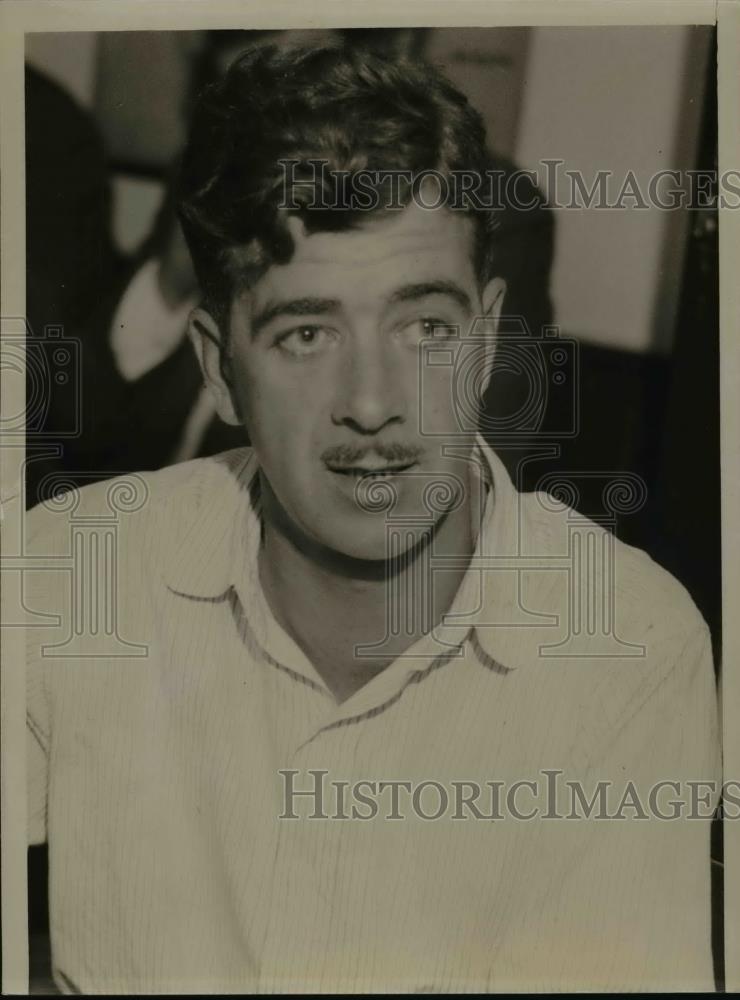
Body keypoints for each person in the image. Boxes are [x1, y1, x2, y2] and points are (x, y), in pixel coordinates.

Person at [26, 44, 720, 994]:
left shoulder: (630, 648)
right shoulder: (66, 574)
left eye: (425, 327)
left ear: (484, 343)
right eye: (306, 333)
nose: (371, 400)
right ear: (219, 367)